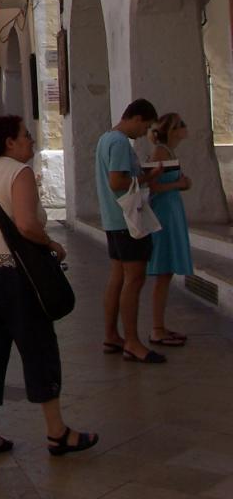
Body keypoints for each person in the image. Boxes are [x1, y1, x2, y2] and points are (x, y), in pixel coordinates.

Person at [0, 115, 97, 458]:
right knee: (38, 347)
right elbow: (26, 224)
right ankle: (56, 431)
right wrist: (52, 245)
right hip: (15, 275)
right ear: (10, 142)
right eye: (26, 136)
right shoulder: (19, 172)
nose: (32, 141)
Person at [95, 98, 166, 364]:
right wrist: (147, 178)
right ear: (135, 118)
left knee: (117, 277)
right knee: (134, 279)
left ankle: (112, 335)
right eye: (145, 126)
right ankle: (133, 342)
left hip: (113, 221)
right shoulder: (121, 142)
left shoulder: (106, 138)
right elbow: (117, 181)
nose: (144, 132)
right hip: (128, 221)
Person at [146, 113, 193, 346]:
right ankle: (156, 328)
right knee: (163, 273)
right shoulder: (161, 152)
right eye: (181, 125)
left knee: (167, 273)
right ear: (173, 129)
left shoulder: (169, 152)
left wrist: (180, 185)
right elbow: (153, 185)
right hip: (164, 213)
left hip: (172, 210)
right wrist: (178, 184)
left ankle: (161, 326)